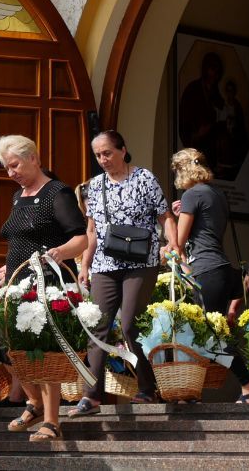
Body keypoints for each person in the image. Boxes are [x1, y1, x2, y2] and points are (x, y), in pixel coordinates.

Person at [68, 131, 174, 416]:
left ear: (123, 150)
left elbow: (165, 216)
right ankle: (91, 396)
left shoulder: (144, 178)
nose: (103, 159)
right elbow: (92, 230)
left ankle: (147, 388)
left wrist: (173, 244)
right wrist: (85, 265)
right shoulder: (94, 186)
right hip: (105, 263)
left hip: (141, 261)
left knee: (128, 324)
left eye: (108, 153)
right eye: (98, 155)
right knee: (98, 326)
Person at [0, 135, 87, 443]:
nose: (11, 173)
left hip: (47, 283)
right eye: (6, 167)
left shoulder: (57, 194)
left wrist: (60, 252)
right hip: (17, 283)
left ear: (34, 158)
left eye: (14, 165)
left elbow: (80, 238)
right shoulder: (18, 196)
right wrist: (8, 267)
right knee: (2, 347)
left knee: (44, 353)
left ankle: (51, 421)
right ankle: (33, 401)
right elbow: (20, 240)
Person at [168, 148, 249, 403]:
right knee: (204, 334)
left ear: (182, 170)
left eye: (176, 171)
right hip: (219, 268)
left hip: (204, 269)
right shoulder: (216, 193)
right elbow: (206, 228)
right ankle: (191, 390)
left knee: (208, 335)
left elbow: (178, 241)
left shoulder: (191, 194)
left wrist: (169, 227)